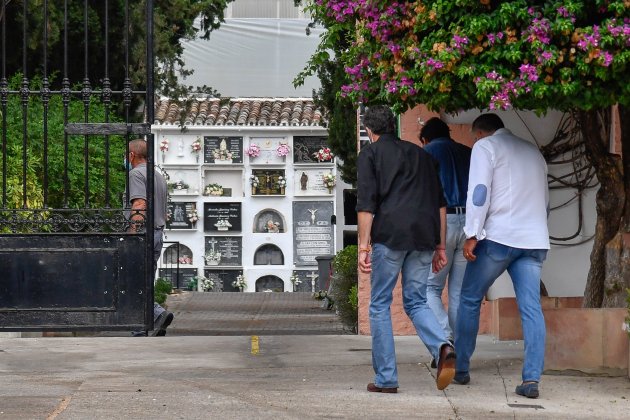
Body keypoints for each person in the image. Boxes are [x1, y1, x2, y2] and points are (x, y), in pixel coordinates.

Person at [356, 105, 456, 393]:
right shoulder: (422, 156)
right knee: (416, 301)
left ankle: (386, 379)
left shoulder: (371, 154)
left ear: (369, 130)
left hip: (390, 234)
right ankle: (442, 347)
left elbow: (366, 203)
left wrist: (363, 247)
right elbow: (440, 203)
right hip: (424, 235)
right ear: (394, 126)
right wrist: (440, 246)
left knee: (379, 304)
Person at [454, 114, 550, 399]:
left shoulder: (486, 148)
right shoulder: (533, 151)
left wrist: (472, 233)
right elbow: (545, 200)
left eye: (474, 137)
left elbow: (479, 193)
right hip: (534, 240)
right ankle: (531, 379)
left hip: (499, 238)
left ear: (481, 133)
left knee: (470, 298)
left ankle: (460, 368)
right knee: (531, 308)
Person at [420, 118, 471, 362]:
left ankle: (444, 339)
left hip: (443, 221)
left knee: (429, 287)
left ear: (425, 139)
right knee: (459, 292)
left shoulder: (427, 153)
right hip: (470, 223)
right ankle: (458, 350)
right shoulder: (468, 152)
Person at [127, 138, 174, 337]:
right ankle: (146, 323)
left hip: (143, 234)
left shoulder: (136, 174)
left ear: (132, 155)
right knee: (144, 279)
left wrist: (132, 233)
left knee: (132, 280)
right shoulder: (158, 175)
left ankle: (155, 315)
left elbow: (139, 205)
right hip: (157, 233)